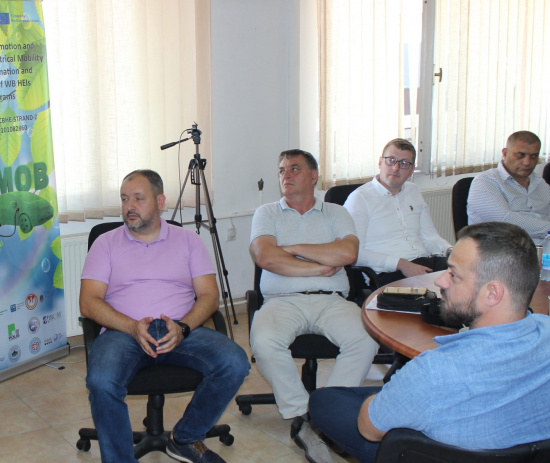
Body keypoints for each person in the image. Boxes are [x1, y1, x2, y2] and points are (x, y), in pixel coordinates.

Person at [307, 222, 550, 463]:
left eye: (453, 274)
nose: (440, 281)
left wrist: (394, 398)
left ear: (493, 293)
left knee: (326, 400)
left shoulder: (435, 371)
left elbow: (369, 429)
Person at [80, 170, 250, 463]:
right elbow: (88, 302)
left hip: (181, 329)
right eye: (124, 199)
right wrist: (131, 327)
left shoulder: (189, 241)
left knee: (235, 362)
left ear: (160, 202)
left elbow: (209, 295)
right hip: (124, 332)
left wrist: (184, 327)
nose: (129, 206)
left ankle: (185, 438)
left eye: (138, 198)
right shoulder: (105, 243)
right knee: (101, 381)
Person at [249, 150, 379, 463]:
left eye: (294, 169)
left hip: (331, 299)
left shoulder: (336, 212)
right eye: (282, 170)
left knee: (366, 338)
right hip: (282, 301)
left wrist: (291, 250)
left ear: (313, 176)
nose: (286, 175)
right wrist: (319, 266)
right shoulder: (267, 213)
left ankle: (327, 412)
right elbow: (266, 257)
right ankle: (302, 416)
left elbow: (347, 254)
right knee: (263, 341)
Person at [344, 139, 452, 286]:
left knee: (469, 274)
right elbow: (355, 253)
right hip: (388, 273)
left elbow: (430, 237)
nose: (396, 168)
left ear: (412, 169)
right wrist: (401, 264)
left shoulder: (413, 191)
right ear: (380, 162)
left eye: (404, 163)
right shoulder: (359, 198)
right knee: (439, 294)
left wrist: (450, 251)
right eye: (391, 160)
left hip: (425, 264)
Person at [467, 131, 550, 245]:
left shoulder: (540, 184)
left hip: (545, 250)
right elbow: (505, 221)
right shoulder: (485, 182)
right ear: (505, 153)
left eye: (533, 156)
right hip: (501, 250)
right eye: (520, 155)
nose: (527, 162)